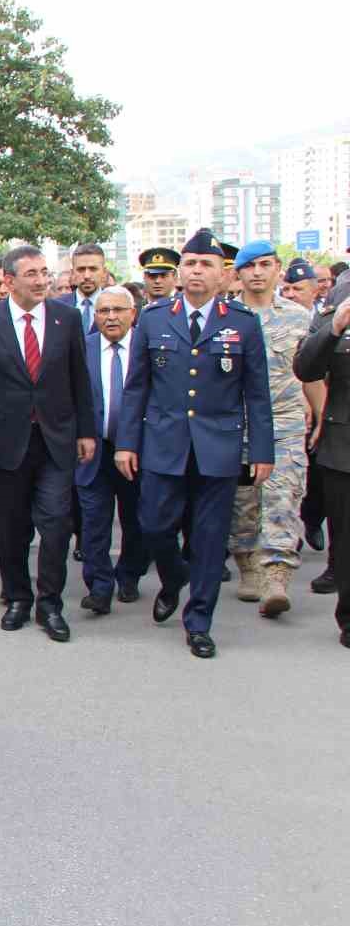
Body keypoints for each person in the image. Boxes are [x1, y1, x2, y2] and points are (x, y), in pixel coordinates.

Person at [115, 228, 274, 659]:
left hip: (217, 448)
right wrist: (126, 442)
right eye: (190, 263)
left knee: (208, 539)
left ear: (223, 274)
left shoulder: (241, 322)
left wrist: (261, 450)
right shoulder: (153, 317)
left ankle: (199, 621)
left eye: (207, 264)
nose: (197, 271)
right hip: (162, 444)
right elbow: (136, 388)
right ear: (180, 272)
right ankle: (173, 578)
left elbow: (256, 392)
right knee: (153, 525)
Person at [0, 244, 95, 643]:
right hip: (4, 441)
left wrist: (85, 431)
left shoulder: (66, 320)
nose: (41, 280)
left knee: (55, 524)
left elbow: (79, 379)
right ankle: (17, 596)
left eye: (44, 272)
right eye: (31, 274)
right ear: (11, 281)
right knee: (11, 526)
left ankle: (49, 603)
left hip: (56, 439)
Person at [227, 241, 317, 616]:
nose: (258, 272)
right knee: (243, 504)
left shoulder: (298, 317)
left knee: (284, 498)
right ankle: (248, 564)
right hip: (239, 425)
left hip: (286, 422)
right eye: (251, 266)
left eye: (266, 264)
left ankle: (276, 576)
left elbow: (311, 369)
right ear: (239, 274)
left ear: (278, 268)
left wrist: (319, 412)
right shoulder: (226, 316)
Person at [75, 286, 163, 613]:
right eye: (103, 311)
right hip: (92, 451)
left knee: (136, 519)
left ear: (133, 313)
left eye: (118, 310)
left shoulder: (148, 347)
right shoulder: (82, 348)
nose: (110, 317)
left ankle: (129, 575)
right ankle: (99, 585)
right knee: (93, 520)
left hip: (137, 452)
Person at [292, 289, 350, 647]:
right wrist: (334, 329)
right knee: (346, 542)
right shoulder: (339, 303)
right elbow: (306, 367)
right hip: (344, 448)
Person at [69, 243, 109, 333]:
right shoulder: (58, 307)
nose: (87, 276)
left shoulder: (117, 306)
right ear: (72, 273)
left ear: (104, 272)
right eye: (81, 269)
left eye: (93, 269)